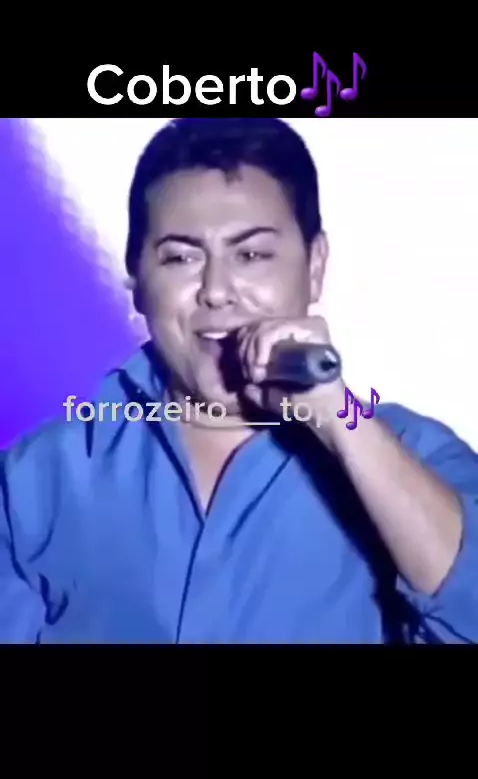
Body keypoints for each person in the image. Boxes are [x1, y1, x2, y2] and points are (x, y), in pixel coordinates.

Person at [1, 117, 478, 644]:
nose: (216, 290)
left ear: (315, 265)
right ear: (136, 279)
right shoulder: (40, 476)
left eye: (251, 255)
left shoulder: (414, 457)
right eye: (181, 257)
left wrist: (339, 416)